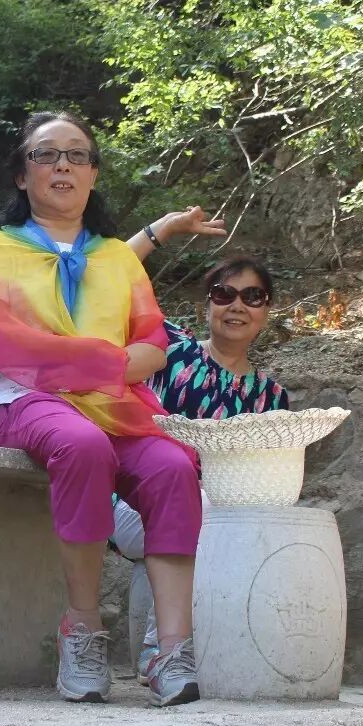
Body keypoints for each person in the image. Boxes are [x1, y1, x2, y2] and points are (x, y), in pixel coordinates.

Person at [0, 110, 202, 707]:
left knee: (174, 467)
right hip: (26, 401)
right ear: (22, 175)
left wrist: (91, 364)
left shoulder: (118, 257)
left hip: (118, 407)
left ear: (94, 174)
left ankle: (172, 649)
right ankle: (82, 629)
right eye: (46, 154)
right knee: (81, 443)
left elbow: (153, 345)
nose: (62, 165)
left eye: (77, 155)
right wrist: (107, 361)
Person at [112, 254, 291, 682]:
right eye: (224, 294)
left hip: (215, 521)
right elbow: (110, 275)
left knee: (225, 515)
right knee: (202, 507)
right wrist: (162, 232)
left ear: (266, 311)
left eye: (253, 297)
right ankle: (162, 652)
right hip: (131, 504)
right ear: (206, 305)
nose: (237, 306)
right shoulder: (171, 351)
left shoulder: (271, 399)